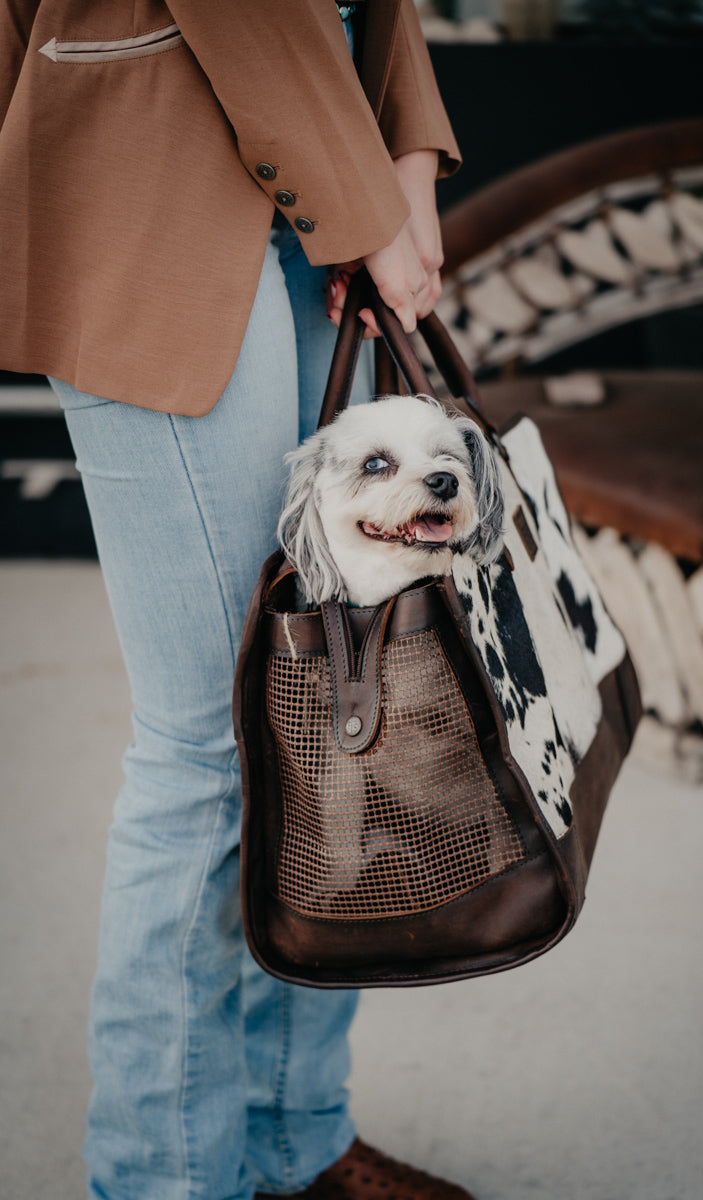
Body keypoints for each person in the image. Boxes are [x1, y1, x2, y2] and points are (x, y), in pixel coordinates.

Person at [0, 3, 475, 1197]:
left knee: (327, 717)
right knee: (207, 741)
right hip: (149, 177)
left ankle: (290, 1137)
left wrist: (403, 157)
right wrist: (370, 201)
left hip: (333, 177)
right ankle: (162, 1178)